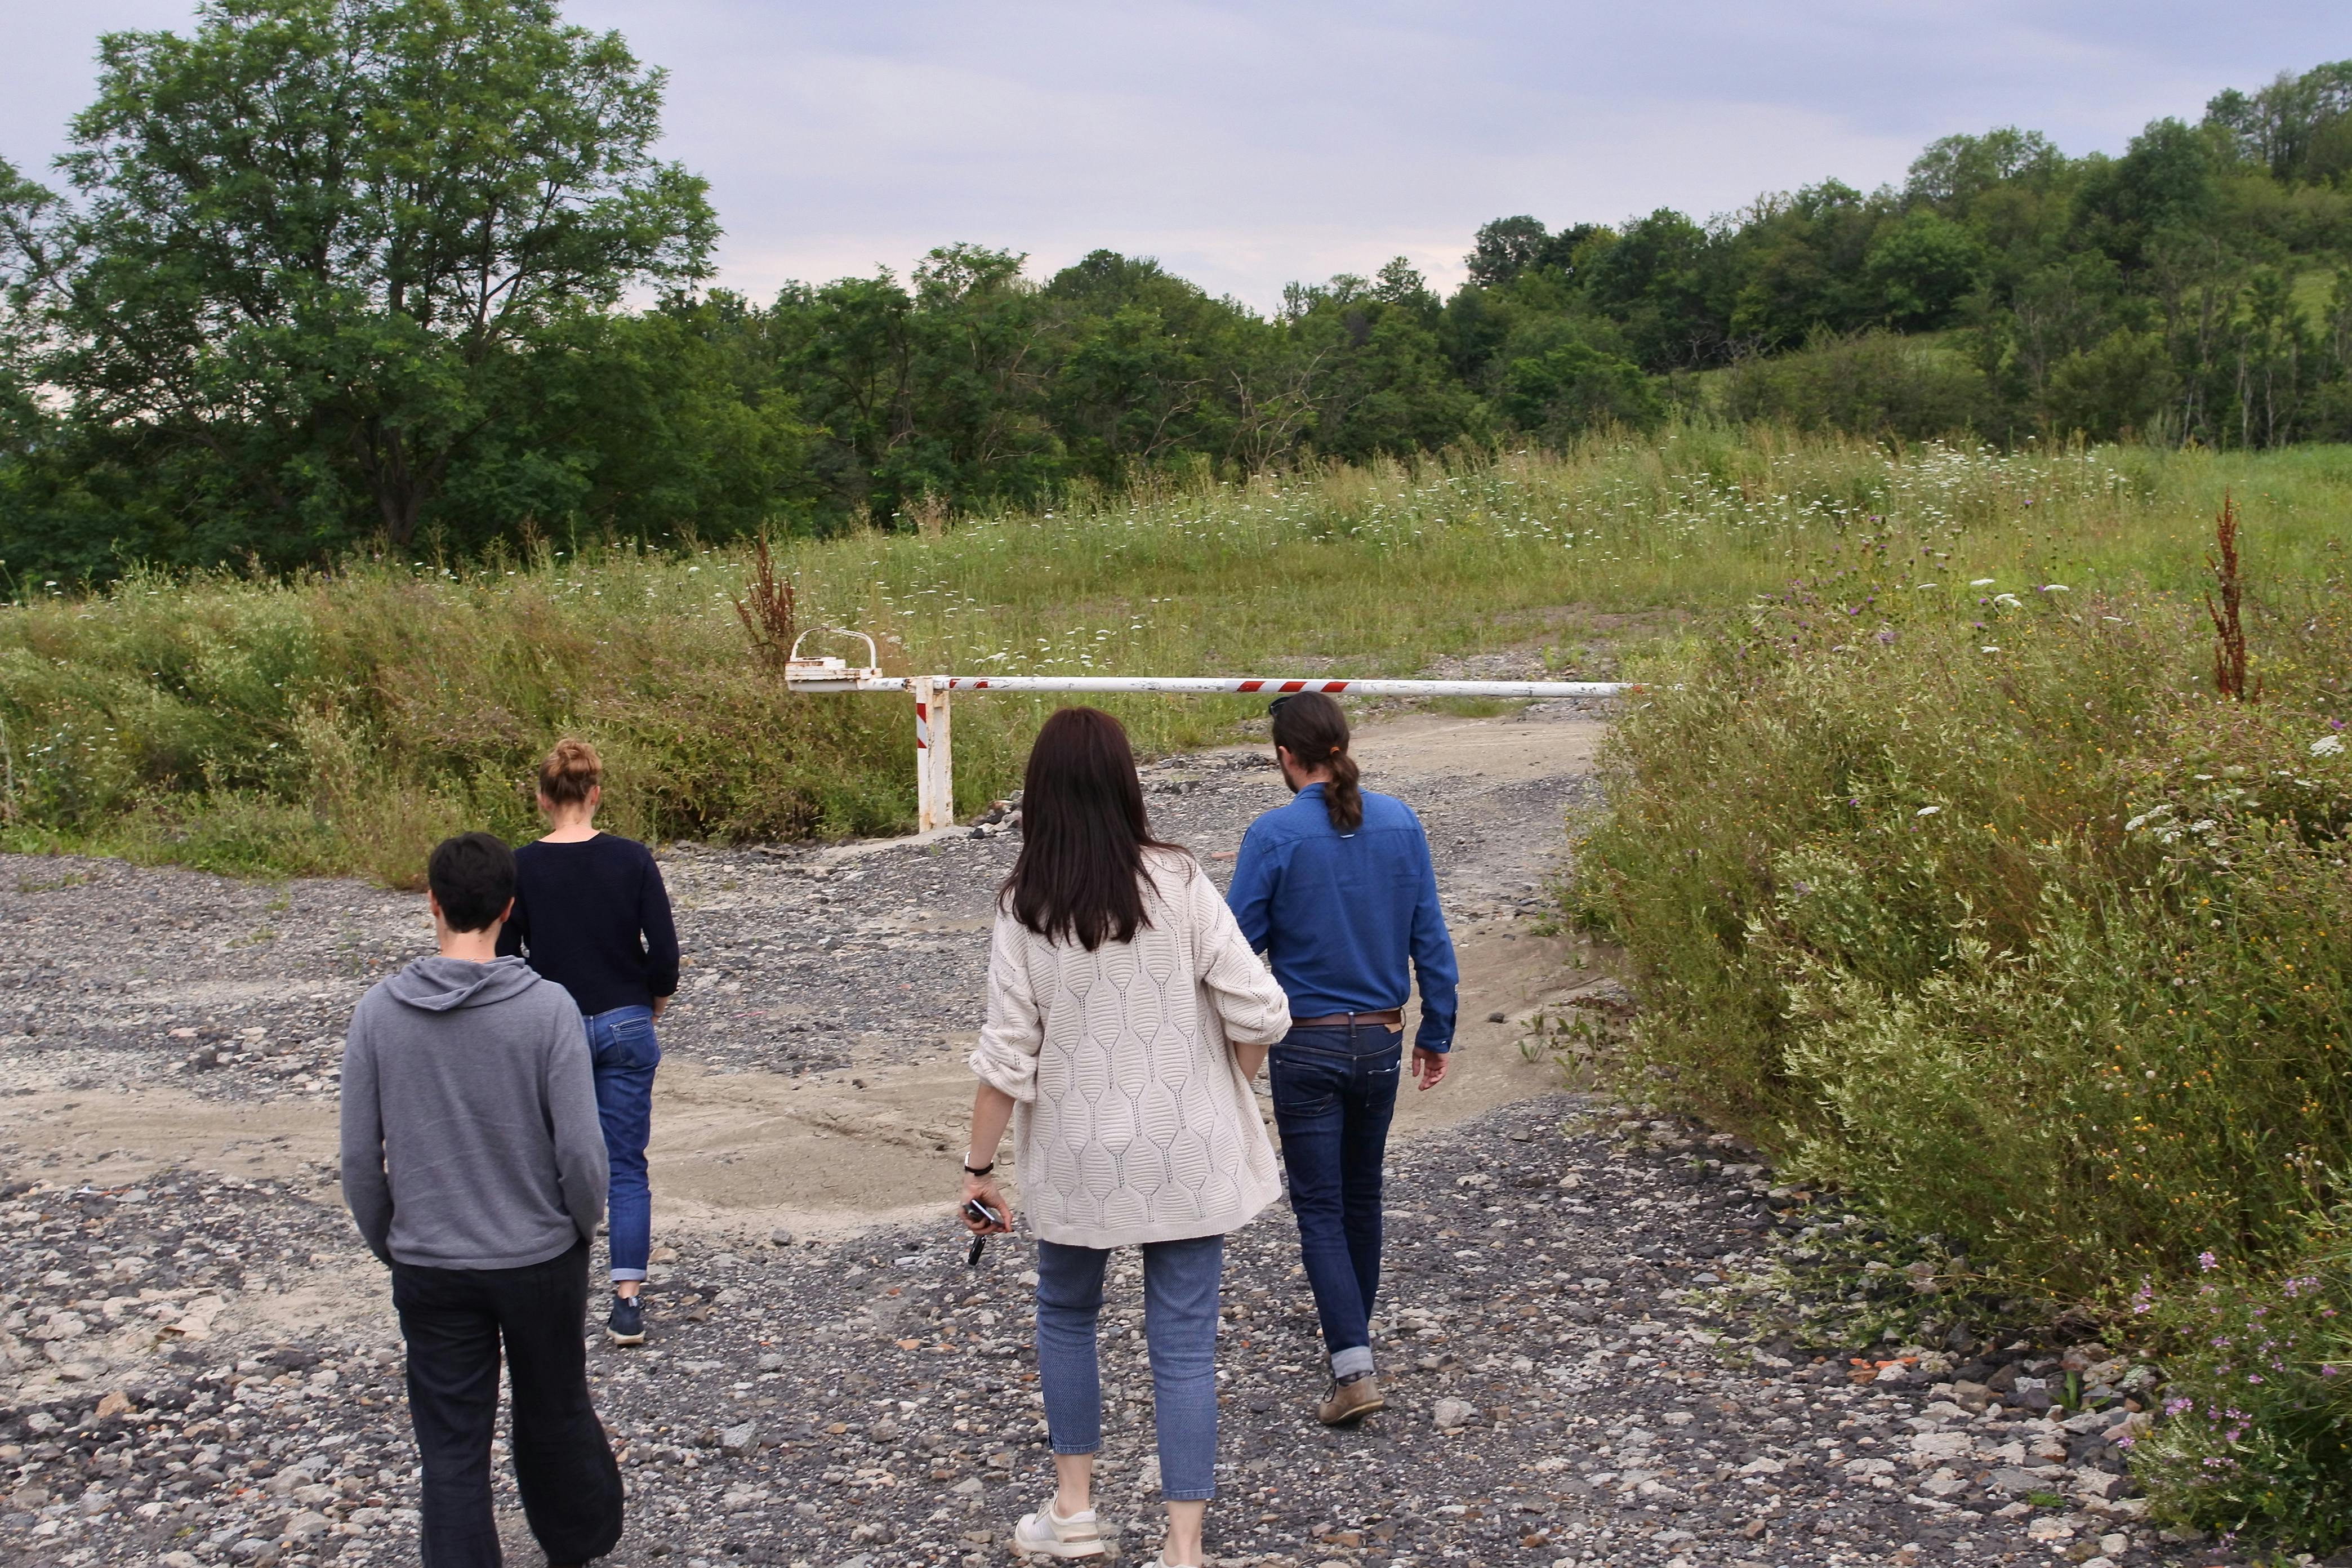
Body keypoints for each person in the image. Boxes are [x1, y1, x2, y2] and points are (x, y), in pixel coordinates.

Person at [960, 707, 1290, 1568]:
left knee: (1065, 1317)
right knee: (1183, 1345)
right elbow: (1261, 1007)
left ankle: (1074, 1510)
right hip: (1184, 1151)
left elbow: (1006, 1057)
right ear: (1125, 783)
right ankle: (1183, 1550)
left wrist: (978, 1169)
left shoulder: (1024, 904)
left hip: (1075, 1155)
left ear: (1039, 795)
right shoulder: (1178, 881)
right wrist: (1225, 1089)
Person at [339, 831, 624, 1568]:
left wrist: (394, 1243)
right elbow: (582, 1151)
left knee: (452, 1447)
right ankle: (578, 1546)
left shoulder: (377, 1014)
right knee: (555, 1411)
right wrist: (579, 1226)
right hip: (539, 1253)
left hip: (431, 1261)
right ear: (508, 908)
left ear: (430, 904)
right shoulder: (548, 1010)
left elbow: (357, 1162)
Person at [1226, 691, 1458, 1426]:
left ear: (1285, 758)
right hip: (1384, 1040)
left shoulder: (1274, 836)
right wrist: (1437, 1030)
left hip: (1307, 1043)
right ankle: (1350, 1333)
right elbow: (1433, 940)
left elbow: (1233, 949)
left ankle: (1352, 1366)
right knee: (1362, 1195)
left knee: (1320, 1207)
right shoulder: (1401, 824)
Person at [496, 738, 681, 1346]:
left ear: (542, 798)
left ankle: (549, 1291)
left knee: (550, 1163)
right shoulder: (632, 859)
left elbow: (504, 954)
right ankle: (627, 1300)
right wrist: (651, 1000)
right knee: (625, 1165)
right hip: (626, 1018)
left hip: (553, 1026)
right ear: (596, 795)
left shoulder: (522, 866)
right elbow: (666, 954)